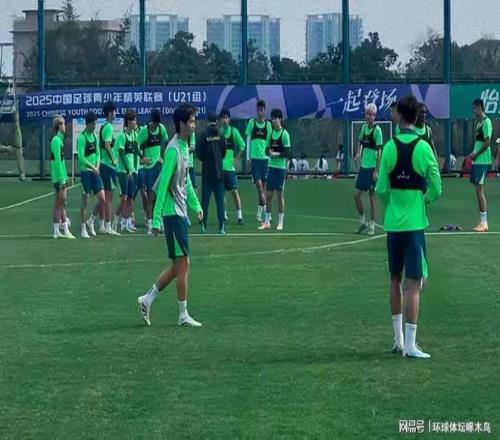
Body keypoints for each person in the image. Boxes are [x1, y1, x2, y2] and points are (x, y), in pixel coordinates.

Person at [375, 95, 442, 359]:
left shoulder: (389, 148)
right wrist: (423, 201)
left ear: (400, 117)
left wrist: (393, 205)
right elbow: (437, 186)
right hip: (414, 225)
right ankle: (411, 346)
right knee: (413, 283)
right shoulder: (423, 148)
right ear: (416, 118)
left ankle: (398, 341)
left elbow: (381, 188)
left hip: (393, 224)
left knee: (394, 279)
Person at [137, 104, 203, 328]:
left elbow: (186, 183)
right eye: (191, 122)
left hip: (180, 212)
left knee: (178, 266)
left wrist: (196, 206)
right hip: (172, 214)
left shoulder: (184, 147)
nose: (194, 125)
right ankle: (183, 315)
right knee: (184, 264)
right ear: (182, 124)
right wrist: (156, 220)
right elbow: (163, 186)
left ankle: (147, 299)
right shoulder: (173, 150)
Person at [259, 108, 291, 231]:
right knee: (268, 196)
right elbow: (266, 150)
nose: (274, 121)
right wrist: (269, 153)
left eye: (276, 118)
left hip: (280, 169)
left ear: (280, 119)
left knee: (280, 196)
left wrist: (276, 154)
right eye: (272, 119)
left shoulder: (285, 134)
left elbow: (288, 152)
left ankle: (280, 222)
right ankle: (267, 222)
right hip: (271, 168)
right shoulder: (270, 134)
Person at [354, 103, 383, 236]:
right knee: (356, 195)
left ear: (375, 116)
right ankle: (362, 222)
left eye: (371, 114)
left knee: (371, 197)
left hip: (372, 168)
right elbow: (360, 143)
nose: (369, 116)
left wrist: (377, 170)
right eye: (367, 114)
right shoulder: (363, 128)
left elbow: (379, 151)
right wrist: (358, 154)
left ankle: (372, 225)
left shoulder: (377, 131)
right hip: (364, 167)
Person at [137, 109, 168, 234]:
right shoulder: (144, 131)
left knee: (159, 196)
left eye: (157, 123)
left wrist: (163, 156)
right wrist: (141, 157)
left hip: (158, 166)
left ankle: (159, 221)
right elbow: (135, 145)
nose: (155, 125)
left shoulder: (162, 129)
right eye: (154, 123)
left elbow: (166, 142)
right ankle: (150, 224)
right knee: (150, 197)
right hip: (148, 168)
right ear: (151, 121)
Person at [196, 112, 227, 234]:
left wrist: (206, 159)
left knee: (205, 202)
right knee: (220, 202)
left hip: (207, 173)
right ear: (217, 121)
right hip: (219, 173)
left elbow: (199, 153)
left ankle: (204, 226)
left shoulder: (203, 135)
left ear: (208, 121)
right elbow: (223, 152)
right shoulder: (221, 134)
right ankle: (221, 227)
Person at [77, 111, 106, 239]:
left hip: (95, 172)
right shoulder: (82, 138)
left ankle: (91, 220)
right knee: (86, 201)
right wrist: (92, 167)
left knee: (102, 199)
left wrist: (97, 165)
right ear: (88, 124)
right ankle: (83, 228)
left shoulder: (94, 136)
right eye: (94, 123)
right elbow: (81, 158)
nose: (95, 126)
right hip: (86, 173)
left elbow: (98, 153)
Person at [113, 110, 142, 233]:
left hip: (132, 171)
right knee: (124, 197)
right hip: (123, 171)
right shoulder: (122, 136)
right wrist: (128, 170)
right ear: (129, 121)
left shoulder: (134, 135)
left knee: (130, 198)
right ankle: (115, 222)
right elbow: (121, 153)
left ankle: (125, 223)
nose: (136, 122)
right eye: (134, 120)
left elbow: (136, 150)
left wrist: (142, 158)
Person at [468, 98, 493, 232]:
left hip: (482, 161)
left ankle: (484, 223)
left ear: (480, 107)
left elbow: (487, 143)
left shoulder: (486, 122)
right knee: (478, 191)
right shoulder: (478, 123)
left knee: (480, 191)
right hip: (477, 160)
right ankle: (482, 221)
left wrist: (476, 154)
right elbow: (479, 143)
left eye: (474, 108)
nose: (473, 111)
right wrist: (473, 153)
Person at [245, 100, 272, 222]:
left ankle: (259, 213)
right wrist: (248, 158)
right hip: (255, 160)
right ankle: (267, 214)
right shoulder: (252, 122)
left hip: (265, 160)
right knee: (260, 187)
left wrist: (270, 159)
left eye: (262, 110)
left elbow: (270, 143)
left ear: (264, 111)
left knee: (263, 189)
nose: (260, 112)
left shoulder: (268, 125)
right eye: (258, 110)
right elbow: (248, 139)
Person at [50, 115, 74, 239]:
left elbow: (62, 162)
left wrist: (66, 176)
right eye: (63, 124)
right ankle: (62, 229)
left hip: (60, 176)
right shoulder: (56, 141)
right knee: (61, 202)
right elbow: (57, 162)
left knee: (61, 203)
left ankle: (59, 230)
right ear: (59, 126)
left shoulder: (59, 140)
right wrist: (62, 178)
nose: (65, 126)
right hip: (58, 177)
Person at [99, 101, 120, 235]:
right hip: (107, 165)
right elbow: (107, 145)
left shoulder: (105, 126)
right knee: (108, 198)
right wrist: (113, 159)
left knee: (105, 197)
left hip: (105, 165)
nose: (116, 113)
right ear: (110, 113)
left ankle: (101, 224)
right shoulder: (109, 127)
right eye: (114, 111)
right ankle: (108, 226)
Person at [220, 108, 245, 225]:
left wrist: (236, 159)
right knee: (221, 193)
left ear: (229, 119)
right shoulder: (219, 133)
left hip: (230, 169)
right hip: (220, 169)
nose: (224, 119)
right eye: (222, 117)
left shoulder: (234, 132)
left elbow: (242, 146)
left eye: (226, 117)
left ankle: (239, 215)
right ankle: (224, 214)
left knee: (234, 192)